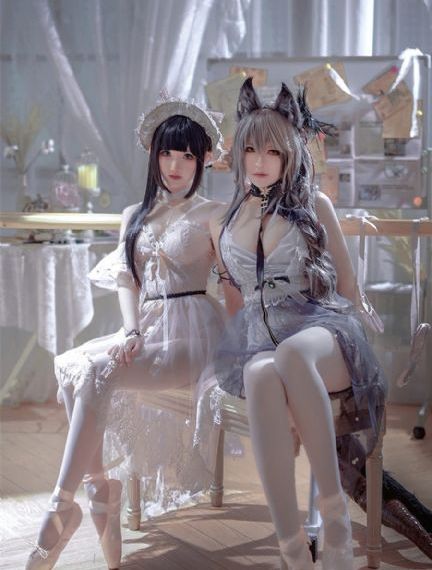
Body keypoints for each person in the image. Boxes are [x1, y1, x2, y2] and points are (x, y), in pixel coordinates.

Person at [26, 97, 226, 570]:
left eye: (186, 156)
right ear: (153, 155)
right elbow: (126, 281)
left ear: (202, 160)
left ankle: (62, 506)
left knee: (97, 368)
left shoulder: (214, 213)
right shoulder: (134, 213)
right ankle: (99, 489)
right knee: (75, 363)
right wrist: (131, 330)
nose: (174, 166)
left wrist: (247, 346)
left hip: (195, 333)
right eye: (166, 153)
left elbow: (234, 284)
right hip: (146, 328)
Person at [209, 78, 386, 570]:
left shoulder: (315, 205)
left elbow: (347, 286)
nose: (260, 160)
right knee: (260, 374)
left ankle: (335, 521)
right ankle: (291, 548)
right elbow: (234, 300)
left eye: (272, 150)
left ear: (290, 153)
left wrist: (361, 335)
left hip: (323, 334)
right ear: (238, 153)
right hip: (261, 343)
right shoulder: (226, 219)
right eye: (251, 149)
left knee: (288, 355)